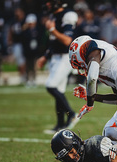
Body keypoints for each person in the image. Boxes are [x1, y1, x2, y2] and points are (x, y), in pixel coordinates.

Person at [36, 0, 79, 134]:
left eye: (49, 2)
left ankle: (71, 114)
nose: (47, 4)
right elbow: (53, 41)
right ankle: (60, 125)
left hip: (65, 57)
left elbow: (67, 40)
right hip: (55, 57)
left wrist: (52, 29)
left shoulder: (68, 15)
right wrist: (45, 56)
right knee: (58, 90)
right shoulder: (53, 16)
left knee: (51, 86)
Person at [21, 13, 41, 87]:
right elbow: (22, 40)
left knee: (34, 67)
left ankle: (34, 80)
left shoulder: (37, 30)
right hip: (27, 51)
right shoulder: (25, 31)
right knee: (28, 66)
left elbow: (39, 41)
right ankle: (28, 80)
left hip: (35, 51)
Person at [7, 7, 26, 84]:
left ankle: (26, 76)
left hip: (25, 43)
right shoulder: (13, 22)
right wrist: (9, 42)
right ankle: (22, 76)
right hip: (17, 44)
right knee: (19, 61)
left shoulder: (25, 21)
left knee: (25, 61)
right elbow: (10, 33)